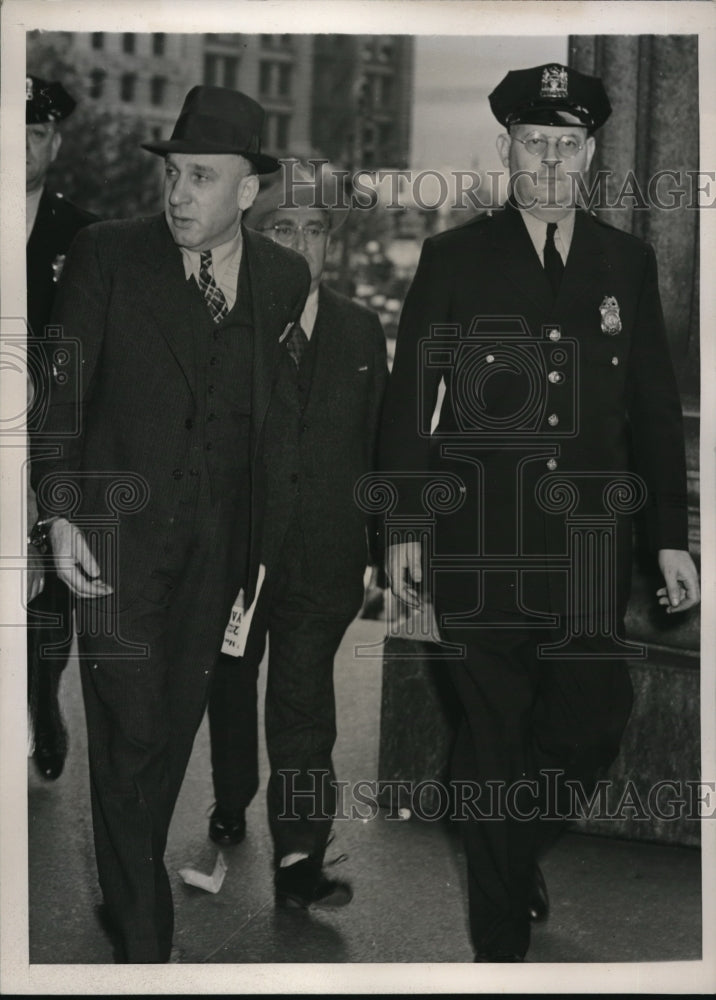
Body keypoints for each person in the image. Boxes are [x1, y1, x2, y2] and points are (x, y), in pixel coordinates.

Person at [378, 63, 700, 962]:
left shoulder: (624, 265)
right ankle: (498, 953)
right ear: (507, 149)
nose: (551, 160)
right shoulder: (456, 258)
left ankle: (509, 855)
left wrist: (670, 539)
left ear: (592, 153)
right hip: (478, 545)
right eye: (534, 143)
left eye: (569, 144)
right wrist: (403, 529)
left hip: (590, 551)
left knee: (595, 719)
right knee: (491, 736)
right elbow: (410, 403)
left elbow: (650, 411)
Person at [30, 85, 310, 963]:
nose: (179, 194)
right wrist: (59, 512)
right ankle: (144, 931)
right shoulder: (107, 256)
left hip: (220, 556)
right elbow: (59, 399)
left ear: (248, 191)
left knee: (172, 728)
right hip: (114, 541)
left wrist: (269, 557)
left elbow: (277, 425)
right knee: (128, 731)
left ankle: (127, 883)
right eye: (173, 175)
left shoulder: (284, 276)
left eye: (202, 177)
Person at [206, 163, 388, 908]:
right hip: (235, 555)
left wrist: (385, 549)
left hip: (324, 554)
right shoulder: (223, 320)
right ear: (255, 231)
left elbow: (380, 444)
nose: (303, 245)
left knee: (304, 699)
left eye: (316, 231)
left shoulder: (358, 327)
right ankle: (231, 795)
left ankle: (300, 856)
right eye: (285, 228)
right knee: (227, 679)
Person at [25, 74, 99, 780]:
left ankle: (42, 703)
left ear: (56, 141)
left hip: (46, 437)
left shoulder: (82, 234)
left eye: (38, 132)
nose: (21, 147)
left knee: (49, 592)